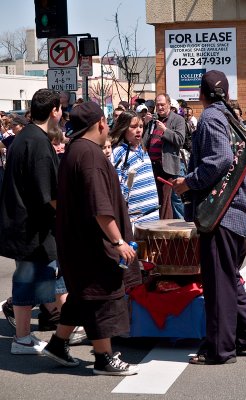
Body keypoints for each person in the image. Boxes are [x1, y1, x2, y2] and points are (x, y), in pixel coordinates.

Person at [172, 70, 246, 365]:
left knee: (218, 286)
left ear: (202, 93)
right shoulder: (229, 115)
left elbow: (221, 159)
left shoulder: (212, 117)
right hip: (232, 214)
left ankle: (219, 350)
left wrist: (189, 182)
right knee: (228, 281)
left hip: (220, 216)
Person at [42, 101, 141, 376]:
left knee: (83, 294)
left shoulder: (76, 149)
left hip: (77, 241)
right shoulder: (90, 155)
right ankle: (103, 357)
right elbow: (100, 206)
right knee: (102, 294)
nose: (108, 127)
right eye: (107, 122)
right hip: (92, 244)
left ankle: (58, 343)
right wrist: (118, 241)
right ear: (100, 123)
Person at [0, 89, 64, 355]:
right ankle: (23, 338)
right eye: (60, 109)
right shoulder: (38, 142)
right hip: (32, 228)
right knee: (32, 281)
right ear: (54, 111)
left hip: (23, 225)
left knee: (36, 279)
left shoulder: (23, 137)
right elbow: (46, 193)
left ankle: (24, 336)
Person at [110, 110, 159, 224]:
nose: (138, 130)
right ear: (124, 128)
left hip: (152, 214)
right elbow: (119, 184)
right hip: (134, 217)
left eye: (141, 126)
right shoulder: (119, 153)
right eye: (133, 127)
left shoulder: (143, 150)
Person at [143, 93, 186, 219]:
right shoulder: (153, 120)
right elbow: (145, 142)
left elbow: (180, 140)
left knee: (169, 200)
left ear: (168, 104)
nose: (159, 107)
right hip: (152, 167)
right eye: (157, 105)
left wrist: (165, 131)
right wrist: (145, 125)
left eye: (162, 105)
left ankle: (172, 227)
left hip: (167, 167)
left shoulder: (178, 119)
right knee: (157, 199)